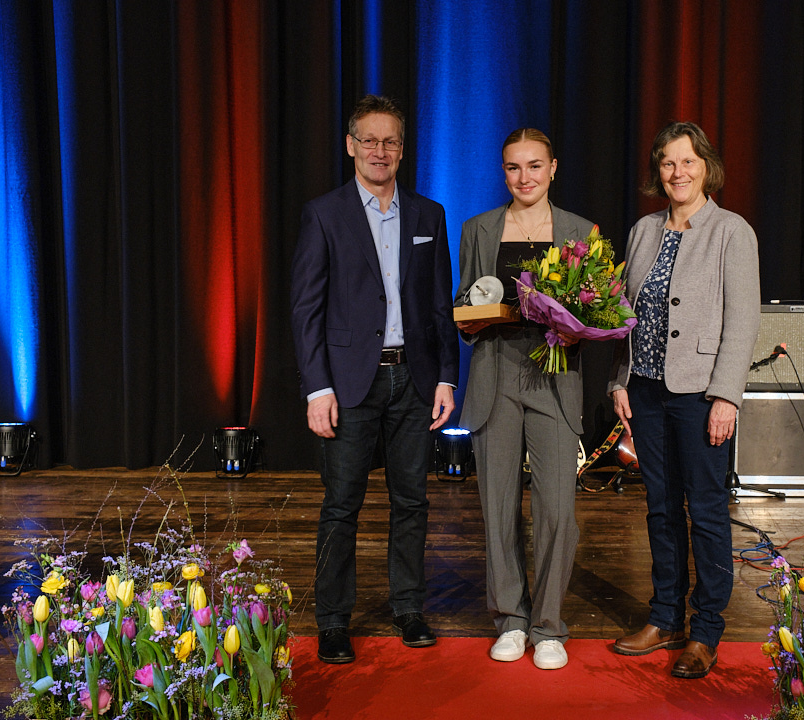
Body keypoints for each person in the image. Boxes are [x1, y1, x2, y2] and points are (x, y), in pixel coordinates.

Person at [290, 95, 459, 664]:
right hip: (347, 384)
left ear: (403, 150)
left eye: (390, 142)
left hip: (415, 379)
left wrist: (447, 378)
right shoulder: (324, 214)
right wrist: (317, 387)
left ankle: (408, 608)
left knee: (412, 501)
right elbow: (306, 309)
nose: (380, 151)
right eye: (370, 140)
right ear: (351, 146)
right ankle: (333, 620)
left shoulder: (428, 215)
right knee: (341, 505)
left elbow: (440, 306)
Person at [607, 121, 760, 679]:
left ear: (706, 167)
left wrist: (727, 397)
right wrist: (620, 380)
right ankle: (664, 615)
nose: (677, 173)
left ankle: (706, 630)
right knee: (661, 507)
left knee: (708, 512)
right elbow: (623, 314)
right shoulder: (643, 230)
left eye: (687, 162)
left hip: (701, 393)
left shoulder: (731, 231)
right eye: (668, 163)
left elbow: (743, 322)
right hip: (645, 389)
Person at [455, 128, 594, 671]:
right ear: (503, 171)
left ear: (553, 168)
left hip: (555, 378)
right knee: (497, 508)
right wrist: (469, 323)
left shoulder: (580, 230)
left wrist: (581, 327)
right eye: (514, 168)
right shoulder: (478, 229)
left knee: (559, 509)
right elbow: (465, 304)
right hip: (495, 375)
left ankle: (549, 625)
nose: (524, 178)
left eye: (535, 166)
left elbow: (596, 311)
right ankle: (511, 619)